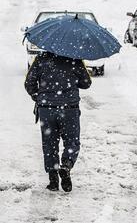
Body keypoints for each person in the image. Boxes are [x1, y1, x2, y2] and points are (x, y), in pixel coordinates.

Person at [25, 51, 91, 192]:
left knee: (49, 143)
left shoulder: (41, 58)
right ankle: (66, 165)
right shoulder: (74, 58)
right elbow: (86, 83)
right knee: (72, 141)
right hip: (69, 109)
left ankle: (53, 180)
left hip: (46, 109)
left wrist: (38, 96)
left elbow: (29, 83)